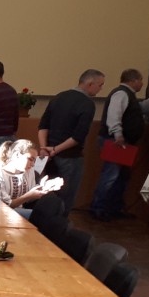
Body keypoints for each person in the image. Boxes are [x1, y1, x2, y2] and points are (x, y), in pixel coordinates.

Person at [90, 68, 149, 221]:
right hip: (116, 141)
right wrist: (117, 134)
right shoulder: (121, 94)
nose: (142, 84)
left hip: (124, 142)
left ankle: (114, 208)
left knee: (121, 176)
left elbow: (142, 109)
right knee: (111, 175)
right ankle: (99, 208)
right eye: (141, 80)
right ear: (134, 80)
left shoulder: (129, 96)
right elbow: (114, 115)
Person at [38, 68, 105, 216]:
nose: (101, 89)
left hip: (46, 156)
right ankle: (60, 225)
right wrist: (55, 150)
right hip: (70, 156)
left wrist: (44, 148)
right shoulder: (87, 104)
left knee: (46, 192)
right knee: (66, 198)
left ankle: (44, 222)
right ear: (90, 84)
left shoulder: (58, 97)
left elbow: (43, 126)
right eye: (100, 85)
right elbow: (78, 137)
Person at [0, 139, 64, 220]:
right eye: (30, 159)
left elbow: (30, 199)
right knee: (48, 219)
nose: (33, 164)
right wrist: (29, 195)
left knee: (55, 208)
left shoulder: (28, 172)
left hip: (18, 213)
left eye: (34, 161)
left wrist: (44, 188)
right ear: (17, 155)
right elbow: (4, 206)